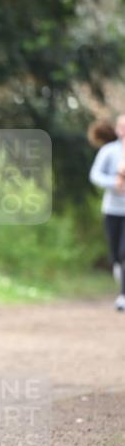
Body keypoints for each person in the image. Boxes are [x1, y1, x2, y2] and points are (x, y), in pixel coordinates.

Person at [88, 114, 125, 312]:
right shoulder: (108, 151)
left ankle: (123, 295)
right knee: (116, 256)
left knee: (124, 252)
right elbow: (95, 175)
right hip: (112, 209)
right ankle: (122, 284)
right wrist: (114, 183)